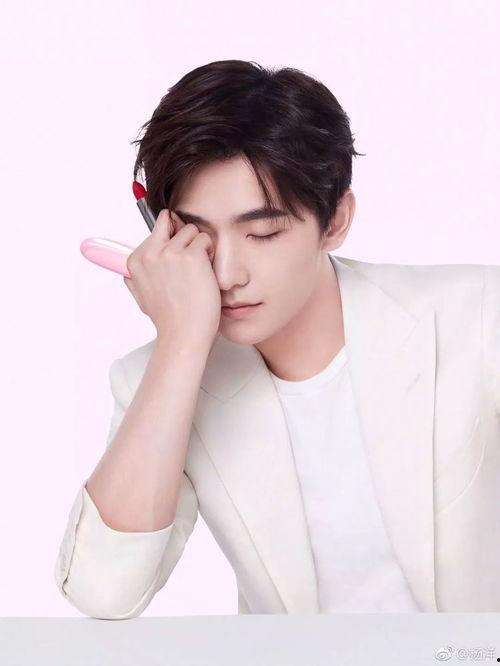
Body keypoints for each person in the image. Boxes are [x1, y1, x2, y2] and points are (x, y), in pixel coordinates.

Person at [54, 59, 500, 619]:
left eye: (262, 233)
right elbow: (103, 592)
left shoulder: (479, 315)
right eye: (197, 236)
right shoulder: (161, 379)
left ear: (335, 221)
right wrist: (181, 344)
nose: (227, 274)